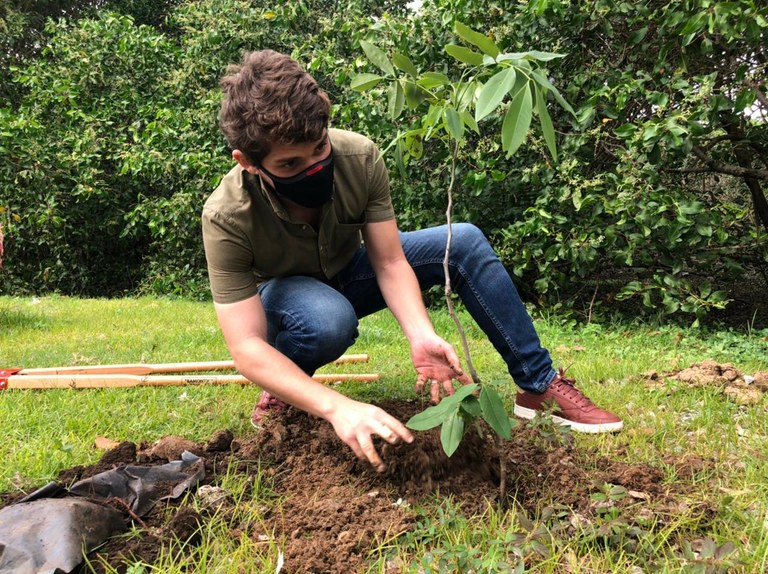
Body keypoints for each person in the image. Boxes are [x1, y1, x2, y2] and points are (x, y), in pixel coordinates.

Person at [202, 50, 623, 473]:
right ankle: (285, 390)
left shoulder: (360, 158)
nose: (315, 166)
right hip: (286, 297)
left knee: (463, 242)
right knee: (327, 319)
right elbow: (246, 345)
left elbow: (388, 261)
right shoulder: (226, 215)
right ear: (249, 162)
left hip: (349, 271)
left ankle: (538, 385)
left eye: (319, 148)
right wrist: (337, 406)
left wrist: (420, 333)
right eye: (291, 164)